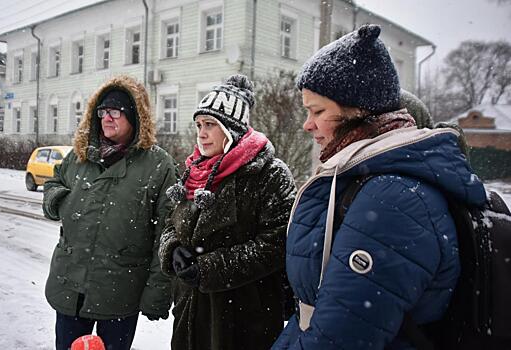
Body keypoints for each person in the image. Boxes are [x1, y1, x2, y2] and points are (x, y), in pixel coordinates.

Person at [272, 24, 487, 349]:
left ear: (359, 110)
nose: (307, 124)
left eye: (317, 111)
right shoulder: (361, 178)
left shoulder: (392, 198)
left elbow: (339, 338)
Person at [159, 74, 297, 350]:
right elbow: (170, 224)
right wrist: (173, 249)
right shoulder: (194, 170)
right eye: (199, 124)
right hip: (190, 313)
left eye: (211, 124)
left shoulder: (269, 174)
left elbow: (277, 243)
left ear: (231, 129)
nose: (201, 133)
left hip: (244, 316)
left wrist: (207, 269)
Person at [42, 75, 178, 350]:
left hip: (119, 294)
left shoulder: (158, 165)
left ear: (135, 117)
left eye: (115, 111)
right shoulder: (81, 155)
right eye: (102, 111)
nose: (107, 118)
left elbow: (166, 234)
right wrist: (58, 200)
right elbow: (54, 183)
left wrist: (157, 292)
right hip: (69, 287)